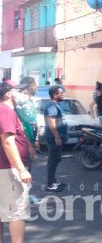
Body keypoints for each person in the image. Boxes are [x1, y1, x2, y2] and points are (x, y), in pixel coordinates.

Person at [0, 80, 32, 243]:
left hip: (3, 170)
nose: (22, 93)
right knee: (17, 213)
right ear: (8, 94)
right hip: (8, 170)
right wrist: (21, 169)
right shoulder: (5, 111)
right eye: (18, 91)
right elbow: (8, 142)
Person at [13, 77, 41, 204]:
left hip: (30, 138)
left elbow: (33, 121)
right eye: (35, 84)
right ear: (30, 85)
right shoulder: (19, 100)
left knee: (28, 167)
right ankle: (22, 196)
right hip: (23, 141)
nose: (36, 87)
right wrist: (29, 144)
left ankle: (25, 194)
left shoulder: (28, 100)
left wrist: (35, 139)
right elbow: (21, 125)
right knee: (23, 168)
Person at [44, 85, 68, 192]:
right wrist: (57, 137)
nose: (63, 94)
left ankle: (53, 181)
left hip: (57, 138)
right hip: (54, 138)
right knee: (53, 160)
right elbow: (51, 122)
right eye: (61, 93)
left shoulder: (55, 105)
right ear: (55, 95)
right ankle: (50, 184)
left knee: (55, 160)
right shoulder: (52, 107)